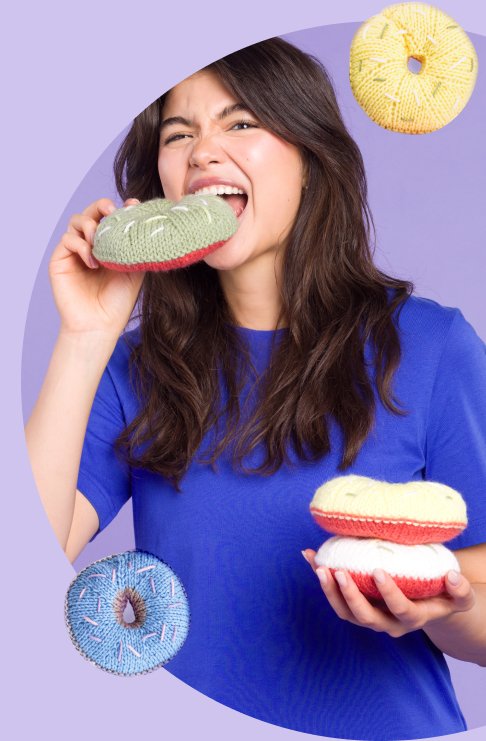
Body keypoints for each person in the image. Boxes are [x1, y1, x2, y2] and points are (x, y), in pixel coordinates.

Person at [25, 37, 486, 741]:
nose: (202, 150)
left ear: (309, 159)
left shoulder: (430, 348)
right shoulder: (136, 369)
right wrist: (83, 338)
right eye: (179, 134)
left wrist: (432, 606)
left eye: (240, 123)